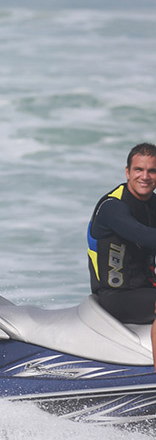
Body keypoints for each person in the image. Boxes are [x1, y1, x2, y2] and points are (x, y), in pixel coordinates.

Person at [86, 143, 156, 369]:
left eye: (152, 171)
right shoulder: (112, 206)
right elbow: (144, 236)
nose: (145, 176)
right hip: (115, 295)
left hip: (146, 290)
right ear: (127, 172)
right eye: (139, 170)